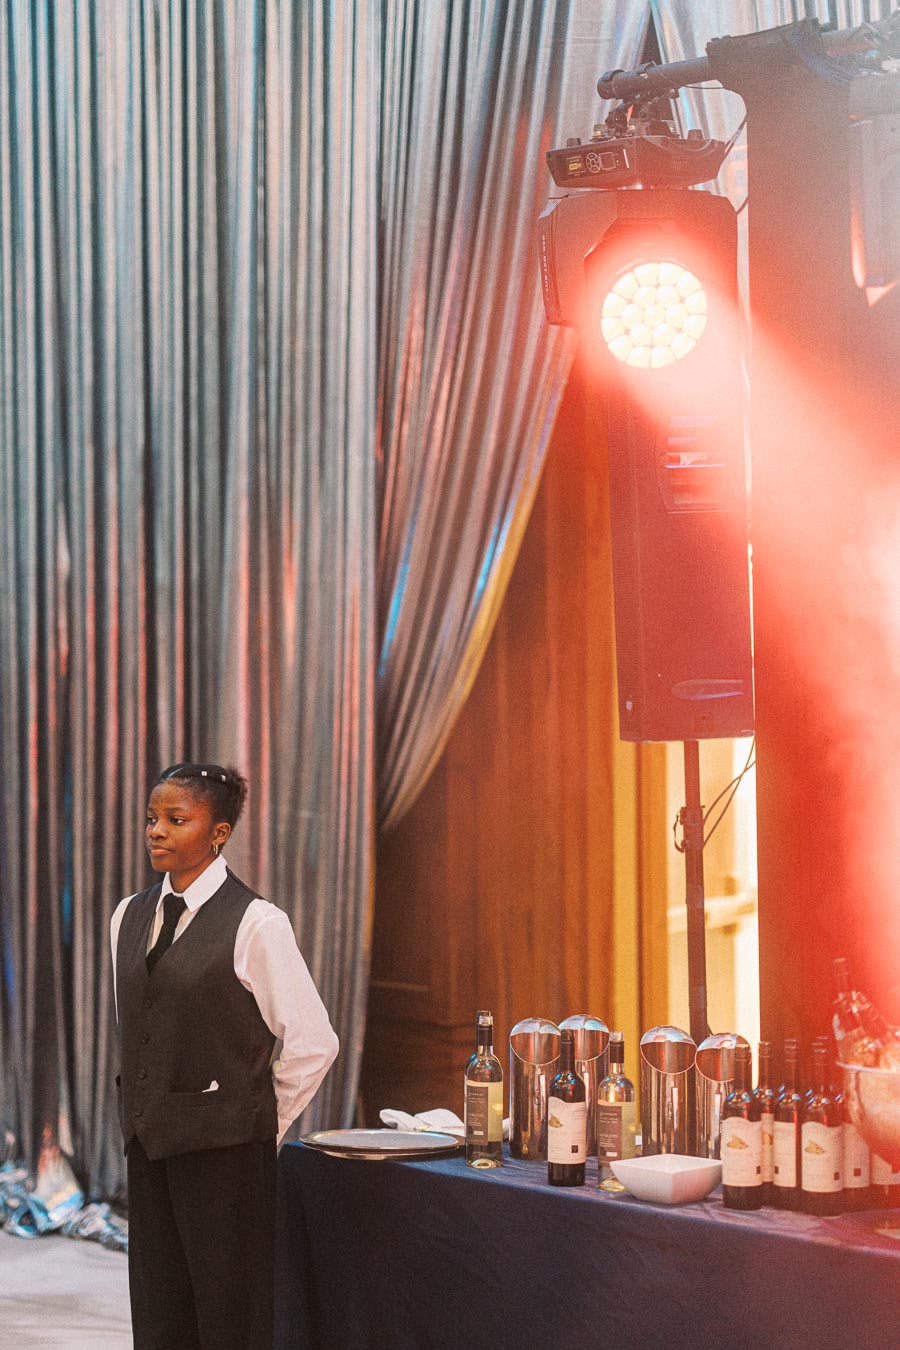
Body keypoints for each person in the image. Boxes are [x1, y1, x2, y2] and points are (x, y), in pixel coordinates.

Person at [110, 762, 339, 1350]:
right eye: (152, 818)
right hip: (149, 1144)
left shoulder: (258, 923)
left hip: (228, 1155)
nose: (156, 831)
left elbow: (314, 1042)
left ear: (219, 833)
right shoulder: (127, 915)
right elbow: (141, 1025)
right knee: (159, 1315)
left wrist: (260, 1122)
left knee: (229, 1317)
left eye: (175, 819)